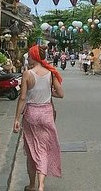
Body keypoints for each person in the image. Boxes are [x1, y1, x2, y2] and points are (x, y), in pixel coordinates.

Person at [13, 45, 64, 191]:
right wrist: (48, 93)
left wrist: (16, 118)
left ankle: (32, 185)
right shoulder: (50, 73)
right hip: (46, 114)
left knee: (31, 150)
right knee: (43, 149)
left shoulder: (27, 74)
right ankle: (41, 185)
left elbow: (22, 98)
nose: (27, 58)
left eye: (29, 56)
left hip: (32, 115)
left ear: (34, 57)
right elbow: (60, 94)